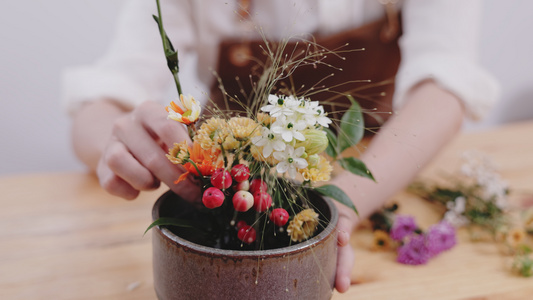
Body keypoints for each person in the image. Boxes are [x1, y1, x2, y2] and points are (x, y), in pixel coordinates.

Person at [63, 0, 498, 293]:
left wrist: (340, 206)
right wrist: (118, 142)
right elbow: (101, 101)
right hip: (236, 182)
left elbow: (445, 84)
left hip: (377, 171)